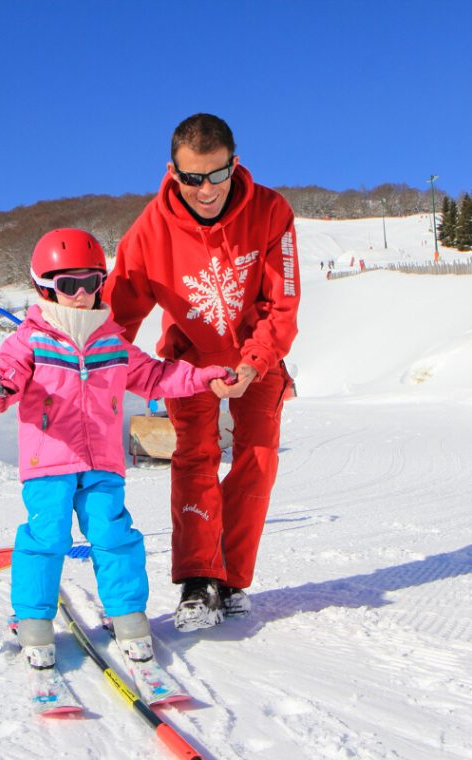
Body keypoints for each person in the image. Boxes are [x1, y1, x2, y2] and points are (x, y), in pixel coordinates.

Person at [0, 228, 232, 669]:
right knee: (46, 537)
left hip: (102, 462)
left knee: (114, 535)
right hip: (48, 461)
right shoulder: (33, 338)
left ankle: (126, 613)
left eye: (91, 282)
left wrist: (200, 377)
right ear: (44, 287)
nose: (80, 294)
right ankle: (34, 619)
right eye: (68, 284)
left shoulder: (111, 341)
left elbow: (155, 377)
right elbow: (7, 369)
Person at [105, 113, 300, 631]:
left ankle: (231, 579)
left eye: (217, 174)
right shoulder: (150, 230)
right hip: (189, 363)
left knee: (256, 458)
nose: (206, 189)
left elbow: (282, 304)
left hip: (256, 359)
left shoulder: (272, 211)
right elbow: (114, 317)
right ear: (172, 172)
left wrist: (253, 363)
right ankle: (198, 579)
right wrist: (80, 358)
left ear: (235, 164)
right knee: (196, 457)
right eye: (192, 178)